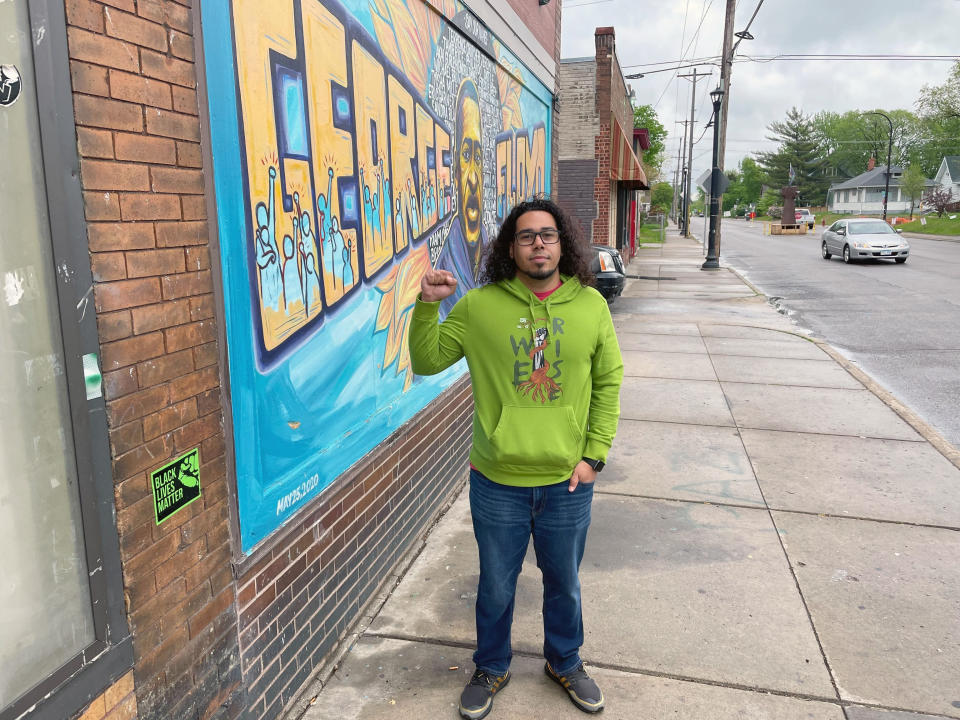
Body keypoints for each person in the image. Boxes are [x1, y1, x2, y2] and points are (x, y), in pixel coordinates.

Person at [408, 197, 623, 719]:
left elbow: (608, 381)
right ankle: (491, 665)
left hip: (566, 483)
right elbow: (427, 358)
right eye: (527, 236)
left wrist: (593, 456)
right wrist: (426, 306)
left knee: (564, 585)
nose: (538, 244)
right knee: (496, 584)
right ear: (511, 247)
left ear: (562, 242)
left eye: (548, 234)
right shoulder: (480, 306)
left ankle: (565, 661)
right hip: (496, 481)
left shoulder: (590, 306)